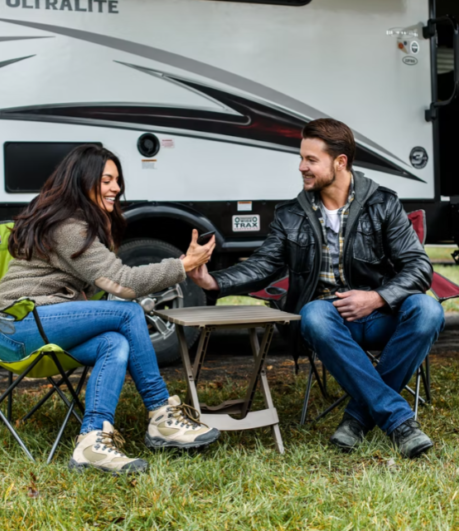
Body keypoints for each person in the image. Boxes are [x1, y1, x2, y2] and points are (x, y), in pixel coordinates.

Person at [188, 119, 444, 458]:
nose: (301, 167)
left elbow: (419, 267)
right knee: (313, 313)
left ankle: (358, 417)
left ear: (340, 162)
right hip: (329, 323)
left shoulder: (382, 204)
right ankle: (399, 420)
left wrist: (376, 298)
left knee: (428, 310)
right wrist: (213, 281)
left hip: (383, 315)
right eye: (301, 158)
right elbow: (265, 264)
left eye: (311, 160)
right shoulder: (291, 214)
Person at [0, 144, 220, 474]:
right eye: (107, 180)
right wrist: (182, 265)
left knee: (116, 342)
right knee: (127, 311)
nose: (116, 188)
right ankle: (160, 413)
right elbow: (123, 284)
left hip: (38, 325)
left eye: (117, 180)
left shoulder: (78, 223)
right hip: (15, 327)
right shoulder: (68, 227)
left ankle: (93, 441)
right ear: (82, 181)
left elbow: (108, 281)